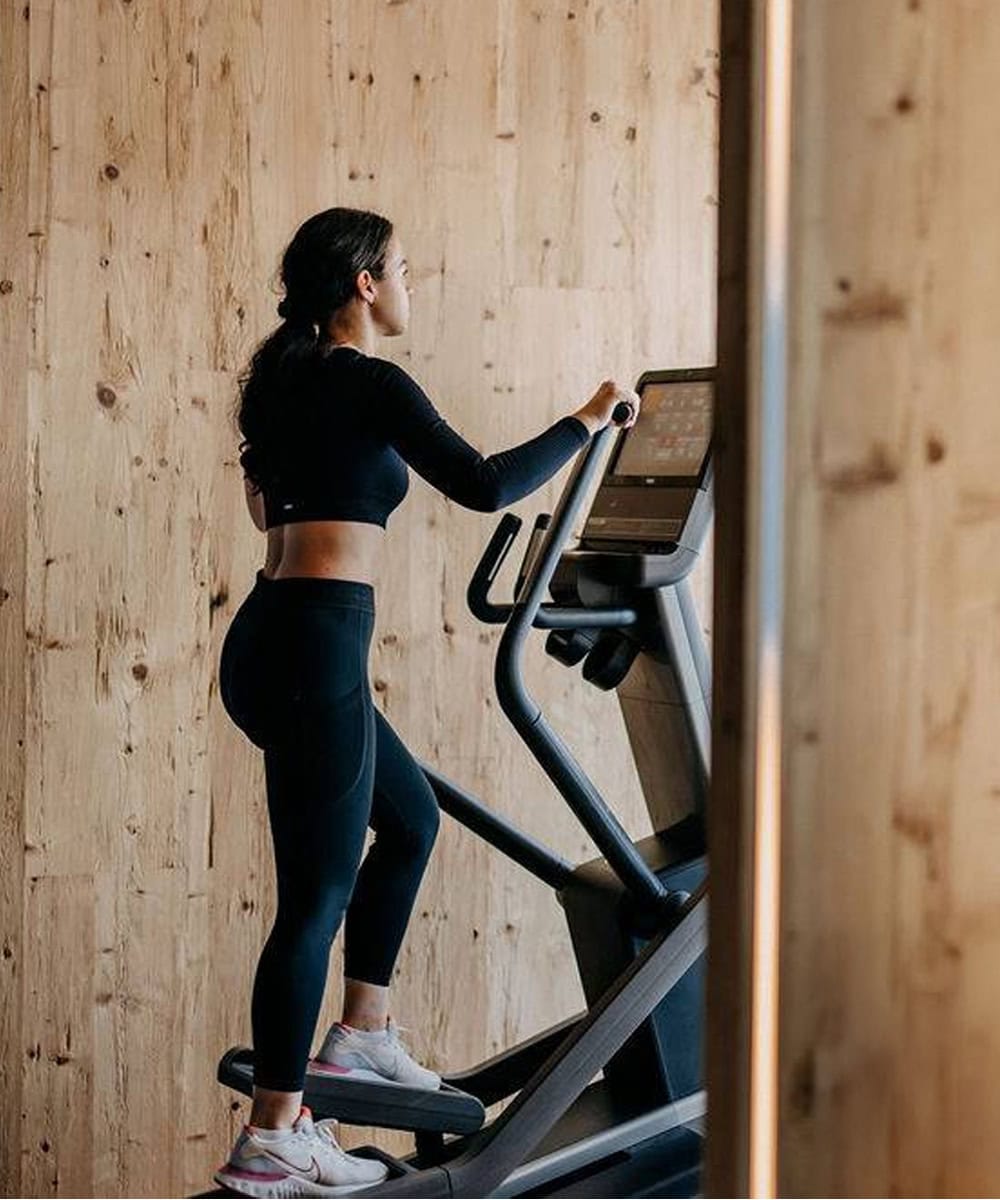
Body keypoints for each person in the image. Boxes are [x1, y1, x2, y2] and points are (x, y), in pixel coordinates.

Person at [214, 206, 640, 1198]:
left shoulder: (286, 381)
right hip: (315, 643)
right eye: (401, 268)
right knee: (315, 897)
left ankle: (363, 1032)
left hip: (276, 635)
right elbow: (485, 485)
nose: (411, 283)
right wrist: (588, 418)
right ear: (364, 283)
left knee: (409, 821)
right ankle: (274, 1135)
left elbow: (267, 502)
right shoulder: (370, 382)